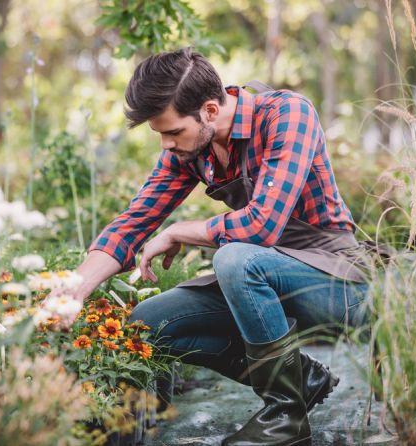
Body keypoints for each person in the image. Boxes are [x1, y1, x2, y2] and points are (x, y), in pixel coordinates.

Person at [73, 47, 372, 446]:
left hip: (335, 281)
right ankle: (302, 378)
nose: (165, 144)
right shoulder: (193, 149)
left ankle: (286, 417)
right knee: (149, 322)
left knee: (235, 257)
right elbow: (133, 222)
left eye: (173, 131)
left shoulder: (288, 114)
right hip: (261, 280)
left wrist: (181, 230)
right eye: (160, 133)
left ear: (210, 110)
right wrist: (72, 292)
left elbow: (262, 225)